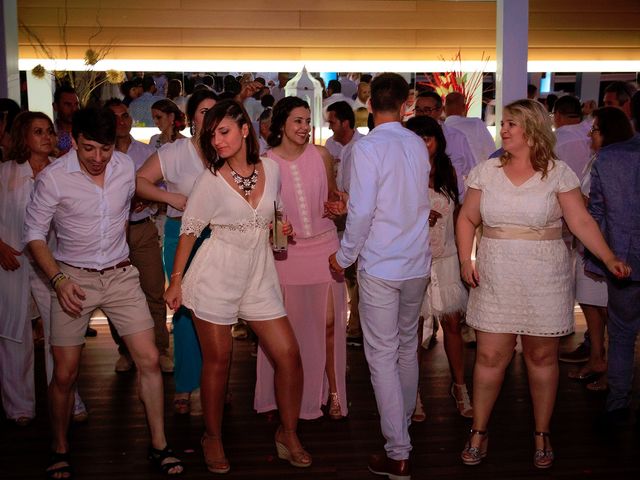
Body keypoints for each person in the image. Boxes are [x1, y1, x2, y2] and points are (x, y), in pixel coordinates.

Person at [456, 99, 630, 469]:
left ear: (532, 129)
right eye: (502, 123)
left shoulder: (559, 173)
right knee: (489, 357)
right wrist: (464, 258)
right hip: (496, 272)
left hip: (544, 275)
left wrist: (609, 257)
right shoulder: (485, 172)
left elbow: (581, 222)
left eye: (511, 124)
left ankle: (542, 432)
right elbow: (467, 218)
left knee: (541, 356)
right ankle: (479, 430)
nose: (503, 129)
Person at [24, 107, 183, 478]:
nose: (98, 158)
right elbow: (33, 234)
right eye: (88, 148)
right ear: (73, 141)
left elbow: (136, 190)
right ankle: (59, 446)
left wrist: (169, 198)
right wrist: (58, 281)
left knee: (149, 359)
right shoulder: (53, 179)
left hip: (120, 275)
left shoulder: (125, 166)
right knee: (65, 372)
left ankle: (160, 445)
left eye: (105, 149)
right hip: (72, 279)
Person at [164, 99, 310, 473]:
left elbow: (274, 216)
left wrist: (282, 228)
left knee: (289, 356)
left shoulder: (271, 170)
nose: (218, 141)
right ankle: (212, 437)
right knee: (219, 361)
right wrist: (176, 281)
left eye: (224, 131)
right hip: (216, 274)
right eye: (212, 135)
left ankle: (287, 432)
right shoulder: (210, 180)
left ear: (245, 129)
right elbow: (190, 231)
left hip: (259, 275)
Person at [329, 73, 431, 480]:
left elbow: (362, 211)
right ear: (407, 104)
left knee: (382, 355)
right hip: (416, 262)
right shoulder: (417, 145)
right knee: (406, 347)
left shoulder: (368, 148)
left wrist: (344, 256)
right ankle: (401, 430)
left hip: (382, 264)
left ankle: (398, 450)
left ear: (369, 104)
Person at [255, 96, 349, 421]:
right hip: (287, 255)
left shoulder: (322, 155)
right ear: (281, 123)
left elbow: (334, 197)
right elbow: (260, 214)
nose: (305, 128)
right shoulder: (265, 163)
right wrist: (274, 226)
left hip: (325, 246)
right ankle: (294, 395)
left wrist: (341, 205)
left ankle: (334, 392)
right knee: (291, 332)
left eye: (308, 122)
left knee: (329, 323)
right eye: (298, 121)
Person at [136, 89, 218, 415]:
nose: (210, 118)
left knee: (216, 312)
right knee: (183, 311)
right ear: (192, 118)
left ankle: (213, 380)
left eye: (215, 111)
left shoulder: (226, 150)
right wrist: (171, 199)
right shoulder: (174, 152)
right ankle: (186, 383)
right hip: (179, 234)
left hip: (218, 238)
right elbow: (140, 181)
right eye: (203, 112)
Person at [405, 115, 472, 419]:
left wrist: (464, 257)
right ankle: (413, 393)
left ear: (437, 141)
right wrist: (419, 218)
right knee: (414, 330)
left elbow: (460, 216)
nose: (422, 144)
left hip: (445, 256)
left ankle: (459, 386)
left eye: (427, 138)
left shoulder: (448, 171)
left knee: (453, 325)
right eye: (416, 138)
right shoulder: (403, 172)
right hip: (414, 259)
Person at [103, 98, 173, 374]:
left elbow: (162, 187)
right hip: (109, 232)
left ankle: (161, 349)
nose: (122, 121)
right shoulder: (101, 154)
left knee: (154, 290)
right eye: (116, 117)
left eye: (125, 116)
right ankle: (126, 351)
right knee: (114, 294)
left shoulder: (145, 153)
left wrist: (151, 202)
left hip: (142, 228)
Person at [586, 107, 639, 429]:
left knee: (620, 333)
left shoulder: (608, 157)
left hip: (623, 258)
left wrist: (598, 257)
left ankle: (618, 401)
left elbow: (596, 213)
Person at [52, 85, 79, 157]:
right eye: (68, 104)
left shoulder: (85, 131)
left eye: (76, 104)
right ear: (55, 106)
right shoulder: (49, 134)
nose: (74, 109)